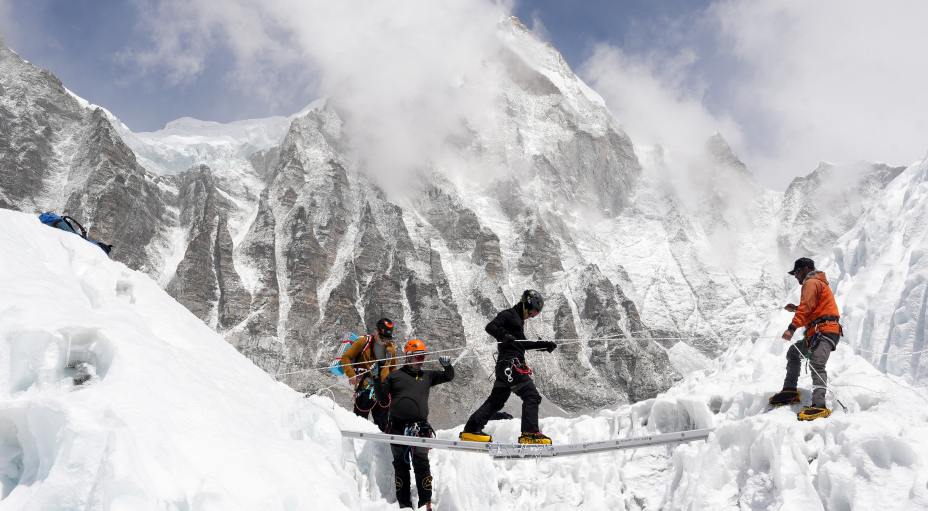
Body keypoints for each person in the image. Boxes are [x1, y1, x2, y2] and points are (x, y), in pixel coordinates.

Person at [459, 289, 557, 445]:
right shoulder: (509, 314)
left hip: (505, 367)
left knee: (496, 402)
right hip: (511, 365)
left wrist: (544, 345)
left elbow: (523, 344)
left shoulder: (518, 320)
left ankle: (471, 429)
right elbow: (490, 327)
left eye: (536, 314)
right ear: (526, 304)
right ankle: (530, 433)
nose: (532, 315)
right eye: (533, 311)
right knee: (531, 396)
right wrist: (504, 335)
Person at [373, 339, 453, 510]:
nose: (421, 360)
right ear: (408, 357)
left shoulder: (428, 376)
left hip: (421, 428)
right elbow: (381, 399)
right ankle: (404, 505)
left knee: (421, 464)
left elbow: (448, 376)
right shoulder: (394, 377)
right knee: (401, 466)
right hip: (397, 427)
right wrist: (376, 379)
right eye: (417, 357)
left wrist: (448, 366)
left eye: (423, 357)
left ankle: (426, 503)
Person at [769, 258, 842, 421]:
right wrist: (795, 308)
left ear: (806, 269)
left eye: (797, 272)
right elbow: (812, 308)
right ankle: (789, 391)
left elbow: (807, 308)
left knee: (817, 363)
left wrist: (791, 328)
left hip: (825, 331)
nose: (795, 276)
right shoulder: (816, 283)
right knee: (794, 353)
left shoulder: (811, 282)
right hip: (820, 331)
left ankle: (819, 405)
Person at [340, 318, 399, 431]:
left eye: (387, 338)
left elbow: (393, 369)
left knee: (383, 424)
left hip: (383, 391)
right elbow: (346, 357)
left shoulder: (391, 349)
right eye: (382, 338)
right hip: (365, 388)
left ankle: (382, 446)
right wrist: (351, 374)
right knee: (359, 422)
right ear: (376, 332)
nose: (385, 341)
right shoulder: (363, 342)